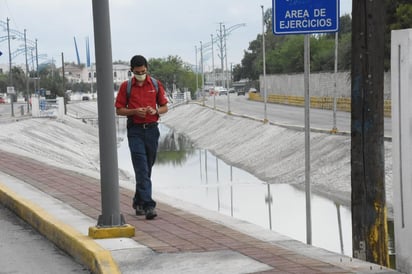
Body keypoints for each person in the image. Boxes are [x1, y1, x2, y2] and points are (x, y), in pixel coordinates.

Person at [115, 55, 168, 220]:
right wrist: (134, 111)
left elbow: (165, 106)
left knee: (148, 168)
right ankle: (148, 205)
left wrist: (156, 111)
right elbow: (119, 110)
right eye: (137, 72)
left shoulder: (155, 84)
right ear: (132, 71)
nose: (141, 74)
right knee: (141, 168)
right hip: (135, 131)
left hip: (152, 130)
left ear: (147, 69)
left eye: (143, 71)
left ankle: (138, 201)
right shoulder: (126, 87)